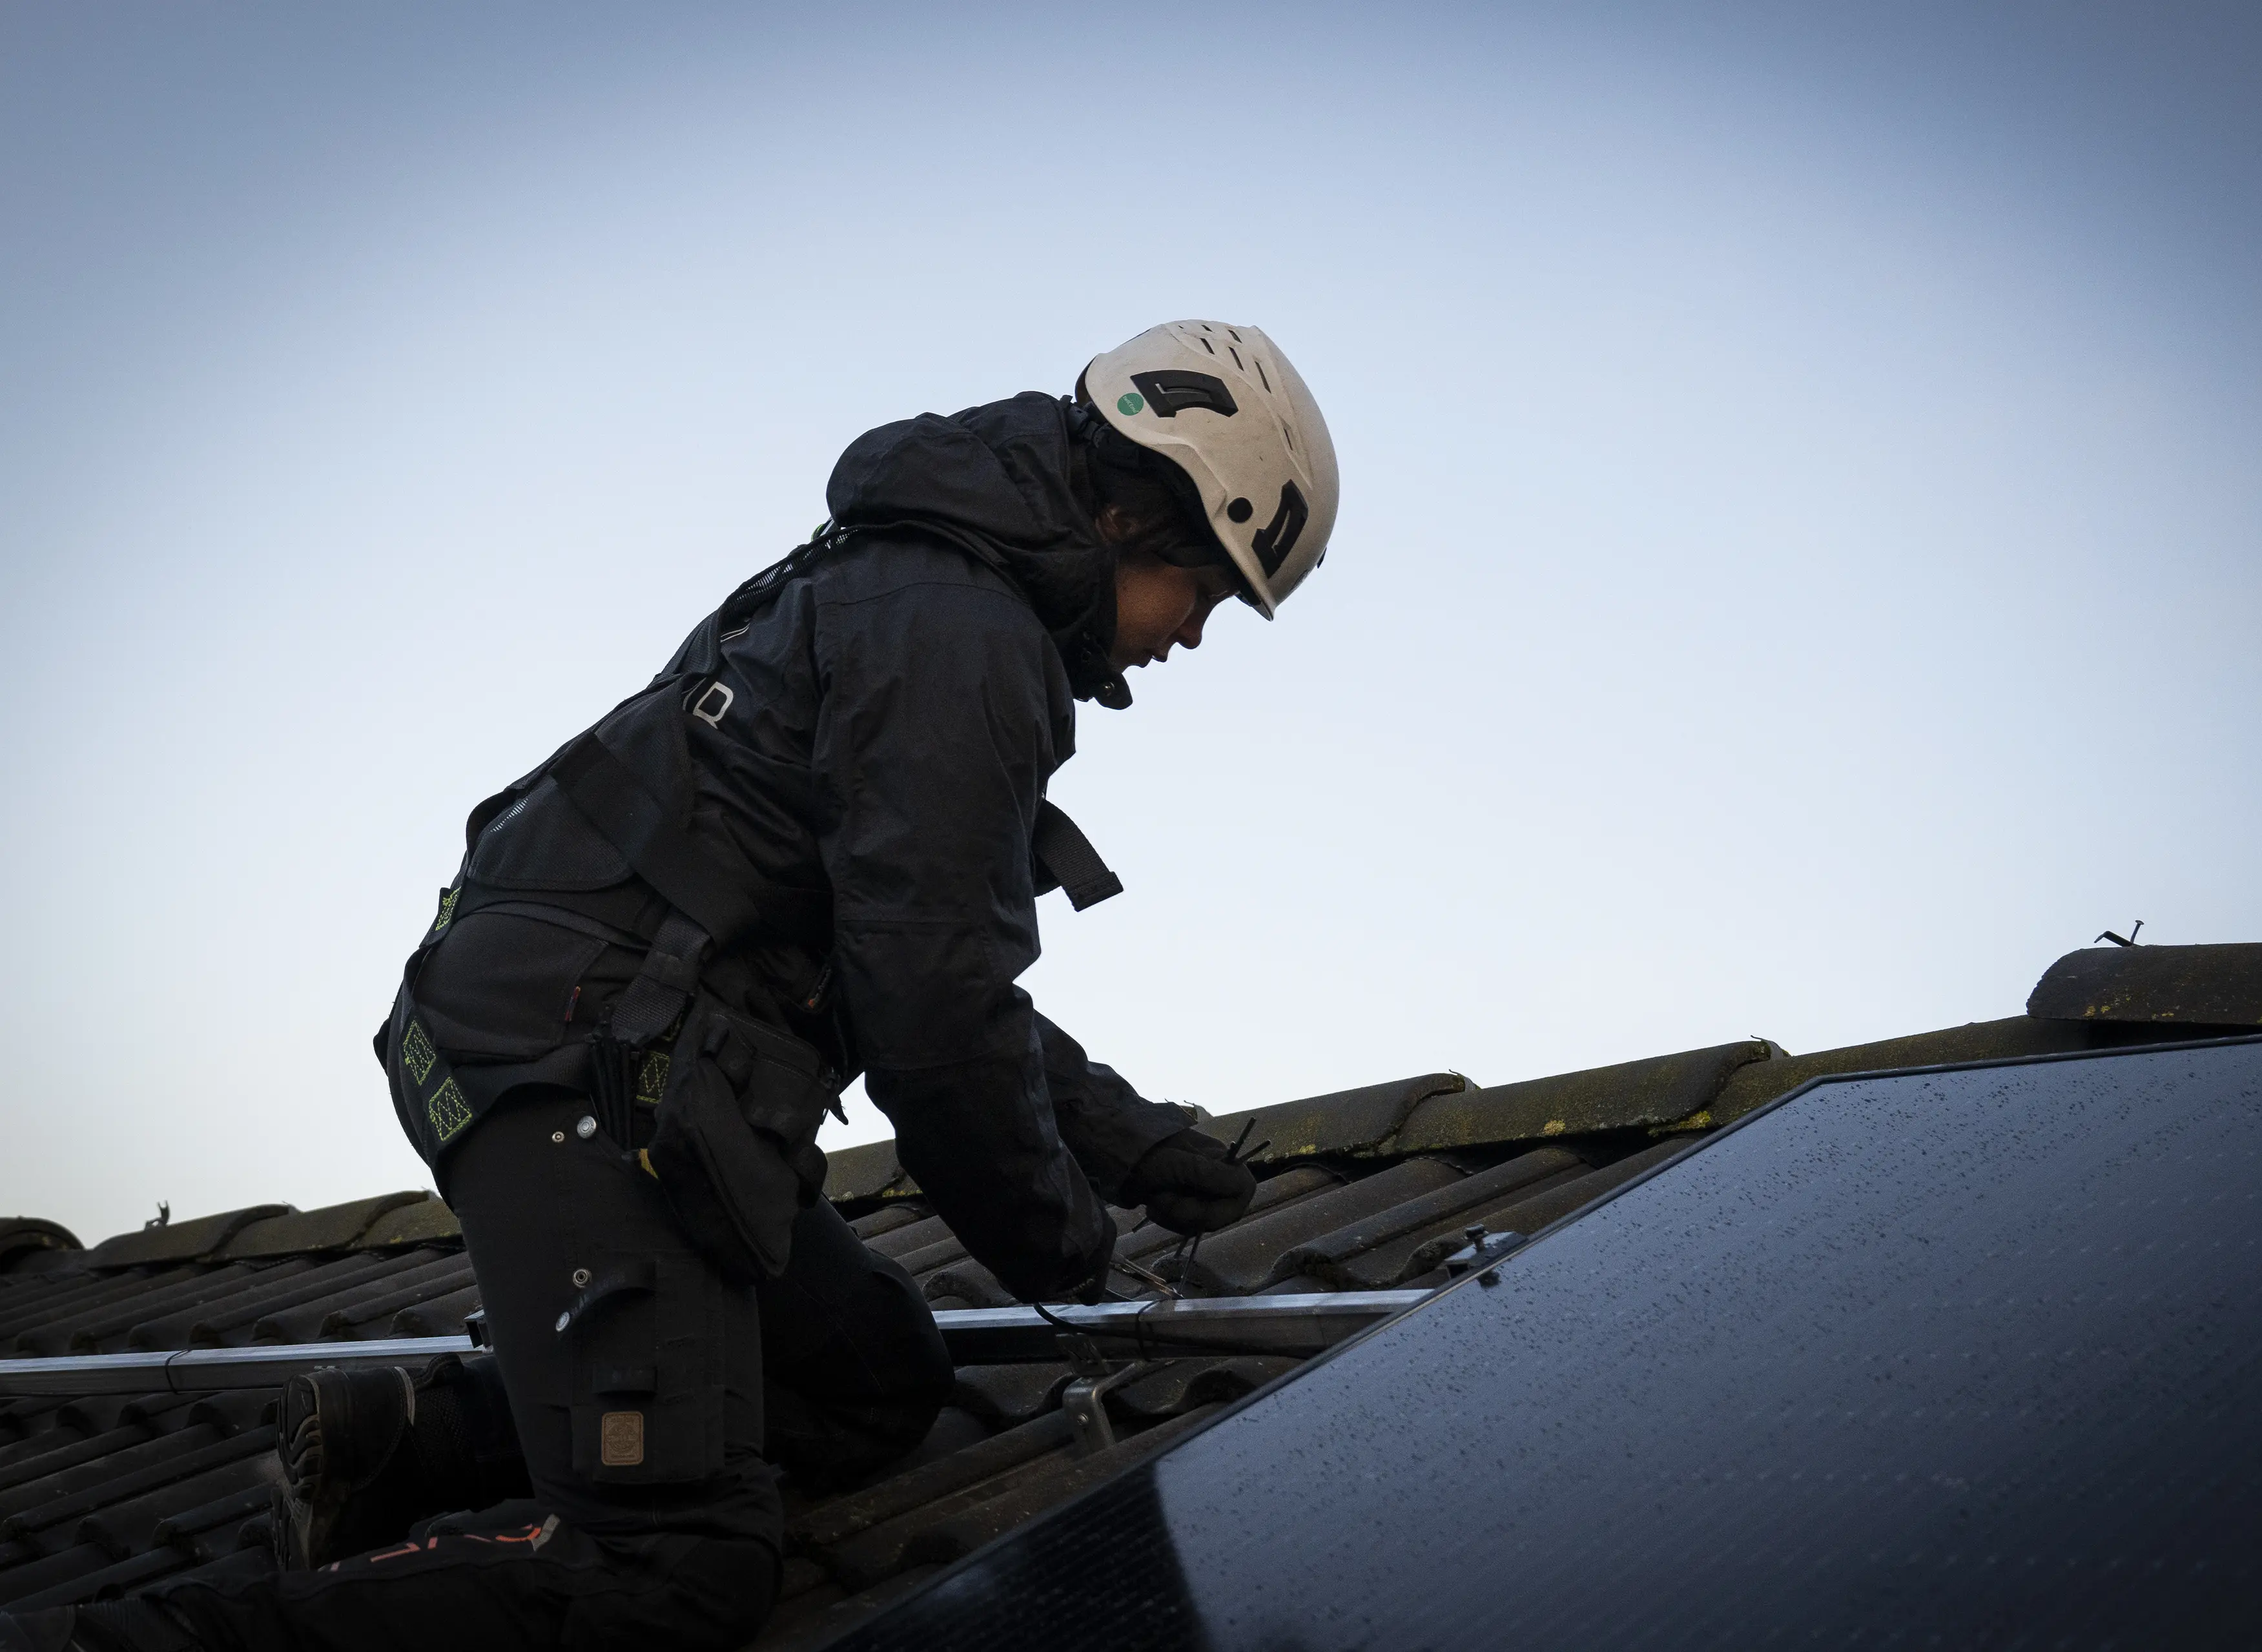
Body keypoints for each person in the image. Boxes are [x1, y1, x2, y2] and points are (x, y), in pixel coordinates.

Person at [1, 320, 1338, 1652]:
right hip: (578, 1064)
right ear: (1128, 513)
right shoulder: (959, 637)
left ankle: (402, 1439)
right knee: (676, 1578)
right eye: (1206, 596)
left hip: (607, 1043)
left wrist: (1137, 1145)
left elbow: (910, 962)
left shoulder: (922, 589)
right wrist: (1076, 1257)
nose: (1191, 642)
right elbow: (933, 1022)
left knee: (876, 1385)